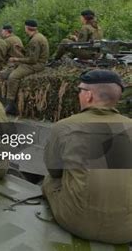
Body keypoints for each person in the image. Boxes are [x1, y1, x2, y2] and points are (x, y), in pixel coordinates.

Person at [42, 70, 132, 244]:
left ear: (89, 95)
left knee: (49, 181)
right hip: (128, 229)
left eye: (80, 91)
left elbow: (54, 171)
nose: (79, 95)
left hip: (77, 222)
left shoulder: (64, 127)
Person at [2, 20, 49, 115]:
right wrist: (22, 50)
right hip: (38, 62)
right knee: (12, 70)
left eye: (25, 27)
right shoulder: (38, 37)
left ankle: (10, 105)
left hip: (36, 65)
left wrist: (16, 59)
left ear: (27, 28)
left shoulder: (35, 40)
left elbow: (32, 60)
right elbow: (33, 54)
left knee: (13, 77)